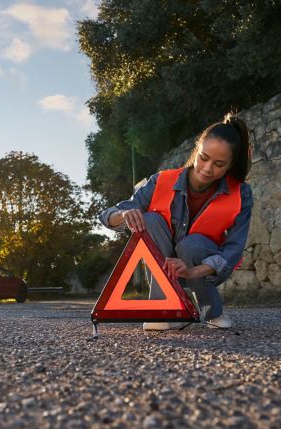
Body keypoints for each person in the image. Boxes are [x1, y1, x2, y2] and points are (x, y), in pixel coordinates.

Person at [99, 112, 253, 330]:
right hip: (161, 264)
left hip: (203, 267)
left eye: (219, 164)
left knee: (192, 244)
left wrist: (193, 271)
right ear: (197, 150)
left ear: (230, 165)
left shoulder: (241, 194)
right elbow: (107, 215)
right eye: (204, 158)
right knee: (150, 220)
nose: (207, 169)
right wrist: (123, 215)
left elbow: (234, 249)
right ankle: (161, 309)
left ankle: (212, 312)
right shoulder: (161, 180)